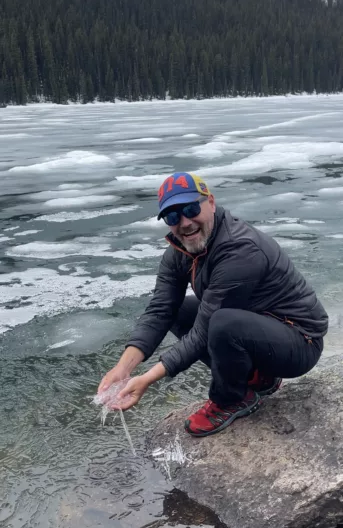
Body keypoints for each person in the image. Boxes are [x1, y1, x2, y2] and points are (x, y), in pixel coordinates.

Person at [98, 172, 328, 437]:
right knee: (179, 311)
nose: (184, 223)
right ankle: (257, 377)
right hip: (260, 331)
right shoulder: (179, 250)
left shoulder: (240, 248)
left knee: (221, 323)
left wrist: (147, 379)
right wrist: (123, 369)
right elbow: (161, 309)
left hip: (300, 341)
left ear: (211, 203)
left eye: (190, 209)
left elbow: (206, 329)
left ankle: (232, 397)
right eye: (173, 217)